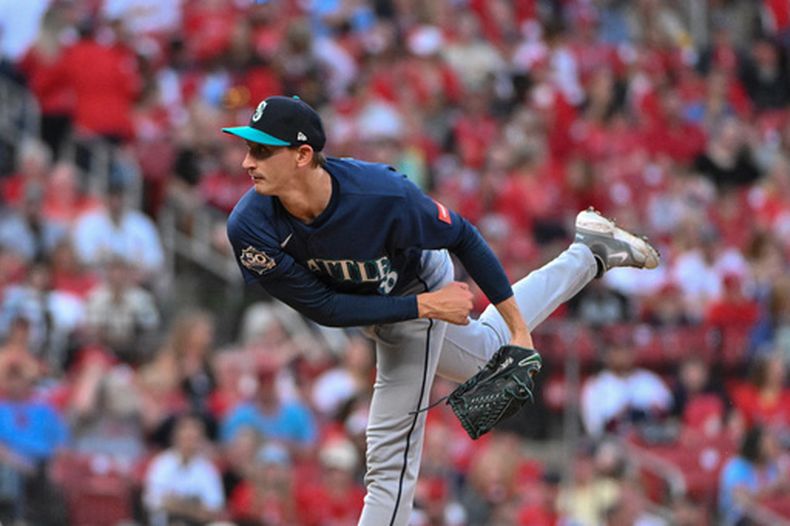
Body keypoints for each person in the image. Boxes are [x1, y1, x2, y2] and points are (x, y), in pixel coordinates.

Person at [222, 95, 660, 525]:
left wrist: (517, 330)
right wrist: (431, 308)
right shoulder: (250, 226)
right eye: (247, 148)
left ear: (302, 155)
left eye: (261, 150)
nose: (247, 162)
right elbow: (326, 307)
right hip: (396, 302)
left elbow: (463, 236)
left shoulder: (380, 193)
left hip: (418, 278)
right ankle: (590, 253)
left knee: (389, 461)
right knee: (488, 350)